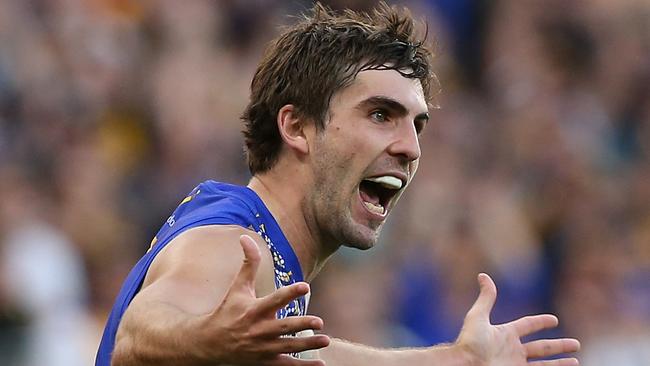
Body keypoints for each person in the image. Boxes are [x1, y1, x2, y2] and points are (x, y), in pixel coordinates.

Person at [97, 3, 581, 365]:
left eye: (418, 125)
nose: (411, 148)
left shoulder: (268, 265)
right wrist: (206, 336)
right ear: (297, 127)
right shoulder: (237, 245)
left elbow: (319, 358)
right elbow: (138, 334)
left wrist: (460, 358)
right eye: (380, 114)